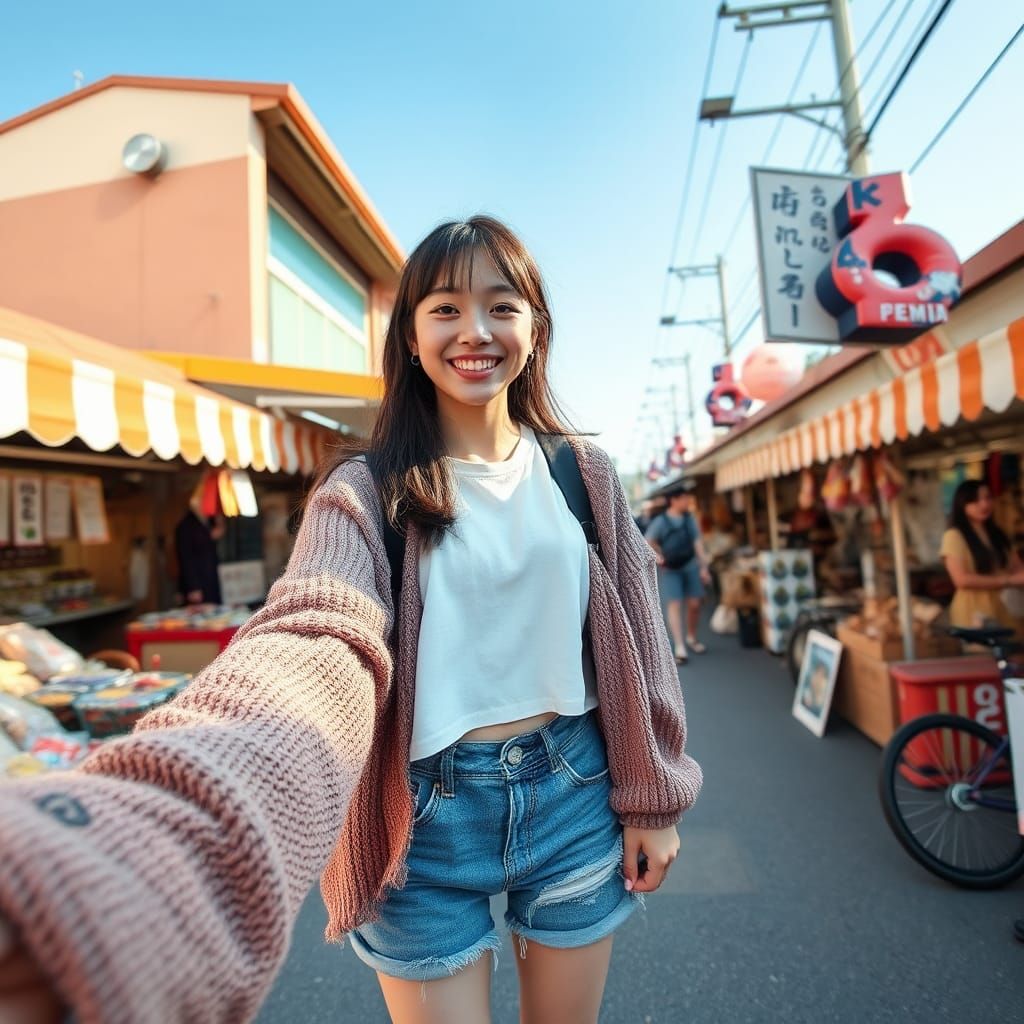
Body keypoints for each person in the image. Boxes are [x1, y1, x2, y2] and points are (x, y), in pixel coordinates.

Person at [0, 216, 702, 1024]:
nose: (474, 331)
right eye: (444, 308)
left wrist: (654, 799)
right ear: (409, 336)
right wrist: (165, 818)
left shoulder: (584, 473)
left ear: (535, 329)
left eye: (501, 306)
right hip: (419, 819)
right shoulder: (363, 491)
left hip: (574, 787)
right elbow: (317, 634)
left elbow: (643, 645)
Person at [940, 479, 1024, 633]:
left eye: (988, 498)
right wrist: (1007, 580)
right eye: (976, 500)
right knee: (982, 656)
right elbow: (961, 580)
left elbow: (1018, 568)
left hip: (1005, 609)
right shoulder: (954, 536)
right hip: (973, 613)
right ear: (962, 504)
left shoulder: (998, 534)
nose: (984, 504)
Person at [645, 483, 712, 664]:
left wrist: (704, 567)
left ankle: (691, 636)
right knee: (674, 604)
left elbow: (697, 543)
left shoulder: (689, 519)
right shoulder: (660, 521)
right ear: (673, 500)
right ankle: (680, 646)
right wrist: (658, 556)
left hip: (690, 565)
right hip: (671, 568)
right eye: (684, 498)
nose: (687, 501)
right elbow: (648, 541)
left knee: (695, 604)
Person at [173, 487, 225, 605]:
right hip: (196, 583)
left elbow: (216, 534)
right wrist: (193, 587)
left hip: (210, 578)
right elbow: (185, 558)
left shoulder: (207, 521)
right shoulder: (186, 526)